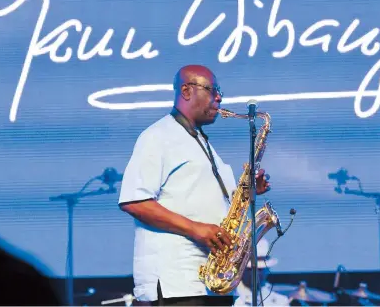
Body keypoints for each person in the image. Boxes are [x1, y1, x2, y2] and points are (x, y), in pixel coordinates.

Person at [118, 65, 272, 306]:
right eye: (212, 90)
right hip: (178, 282)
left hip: (214, 281)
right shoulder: (158, 136)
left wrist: (249, 193)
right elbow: (134, 201)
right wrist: (196, 229)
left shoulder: (202, 143)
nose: (219, 98)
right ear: (186, 91)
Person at [233, 239, 290, 306]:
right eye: (251, 269)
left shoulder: (281, 301)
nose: (257, 273)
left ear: (267, 269)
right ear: (241, 270)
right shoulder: (230, 298)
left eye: (261, 269)